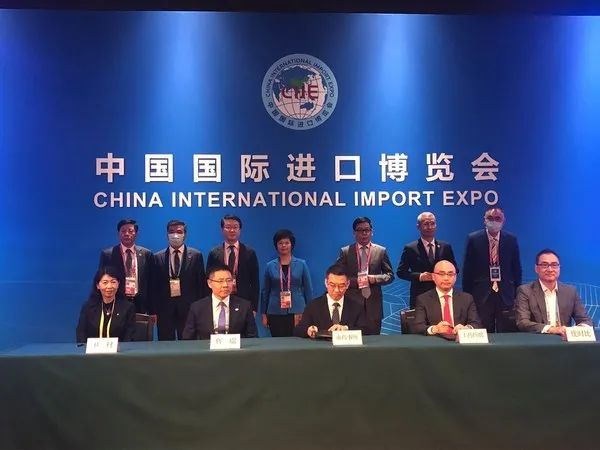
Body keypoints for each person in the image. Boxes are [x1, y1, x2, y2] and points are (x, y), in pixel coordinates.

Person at [462, 207, 522, 333]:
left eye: (497, 218)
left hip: (505, 293)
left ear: (503, 221)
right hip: (481, 294)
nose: (493, 221)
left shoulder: (511, 239)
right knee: (483, 330)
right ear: (484, 220)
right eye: (490, 218)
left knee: (507, 331)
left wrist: (517, 294)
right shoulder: (473, 239)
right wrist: (467, 295)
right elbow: (468, 270)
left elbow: (516, 268)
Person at [335, 216, 394, 334]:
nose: (364, 233)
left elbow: (390, 275)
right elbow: (338, 276)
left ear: (372, 232)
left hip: (373, 307)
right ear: (354, 233)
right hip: (351, 305)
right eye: (360, 230)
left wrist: (374, 279)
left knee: (374, 342)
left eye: (367, 230)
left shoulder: (381, 251)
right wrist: (357, 281)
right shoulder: (345, 252)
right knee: (351, 341)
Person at [151, 220, 207, 340]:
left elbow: (201, 284)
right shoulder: (157, 257)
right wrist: (153, 310)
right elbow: (154, 286)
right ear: (167, 235)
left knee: (189, 344)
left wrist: (201, 309)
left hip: (189, 309)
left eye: (179, 232)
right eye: (171, 232)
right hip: (164, 310)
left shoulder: (196, 255)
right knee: (166, 344)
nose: (175, 235)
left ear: (184, 235)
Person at [516, 249, 592, 335]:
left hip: (563, 340)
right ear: (536, 269)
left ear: (559, 268)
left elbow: (586, 320)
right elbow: (523, 322)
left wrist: (575, 330)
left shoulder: (570, 291)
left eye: (554, 265)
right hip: (538, 339)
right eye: (544, 265)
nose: (550, 269)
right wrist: (552, 329)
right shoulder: (525, 291)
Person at [396, 212, 458, 309]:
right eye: (426, 224)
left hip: (442, 294)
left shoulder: (445, 247)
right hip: (420, 296)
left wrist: (444, 274)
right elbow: (401, 272)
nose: (430, 227)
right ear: (418, 226)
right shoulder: (410, 248)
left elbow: (455, 269)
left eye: (432, 223)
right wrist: (420, 276)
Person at [260, 229, 313, 337]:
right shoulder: (270, 266)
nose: (283, 245)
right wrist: (264, 313)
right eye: (280, 243)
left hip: (297, 310)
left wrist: (311, 312)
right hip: (275, 311)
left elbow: (308, 290)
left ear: (291, 244)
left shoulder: (301, 264)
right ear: (276, 245)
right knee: (278, 342)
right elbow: (265, 291)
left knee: (297, 341)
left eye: (286, 243)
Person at [182, 264, 257, 340]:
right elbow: (187, 338)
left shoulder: (244, 306)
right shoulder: (197, 308)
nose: (225, 285)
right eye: (220, 281)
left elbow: (253, 337)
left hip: (235, 347)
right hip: (206, 347)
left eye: (229, 280)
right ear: (209, 283)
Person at [294, 265, 371, 338]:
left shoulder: (356, 307)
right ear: (326, 283)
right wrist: (309, 330)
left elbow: (367, 330)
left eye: (341, 286)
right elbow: (299, 330)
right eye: (332, 285)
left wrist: (346, 329)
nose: (337, 290)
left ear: (347, 284)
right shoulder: (313, 306)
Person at [206, 215, 260, 313]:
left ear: (240, 230)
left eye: (235, 227)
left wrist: (254, 307)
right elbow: (209, 280)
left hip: (243, 300)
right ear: (222, 230)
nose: (232, 230)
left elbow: (255, 282)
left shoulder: (250, 253)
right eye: (228, 227)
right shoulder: (214, 253)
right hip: (220, 299)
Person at [98, 219, 153, 313]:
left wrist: (152, 308)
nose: (127, 234)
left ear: (136, 234)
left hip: (141, 304)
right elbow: (102, 280)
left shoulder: (146, 254)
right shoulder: (108, 255)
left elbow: (151, 282)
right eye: (123, 231)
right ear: (118, 234)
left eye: (130, 231)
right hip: (117, 301)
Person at [413, 260, 481, 336]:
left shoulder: (467, 298)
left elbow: (476, 323)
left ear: (455, 277)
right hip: (436, 341)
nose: (446, 278)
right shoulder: (423, 299)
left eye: (450, 274)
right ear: (433, 277)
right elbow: (418, 327)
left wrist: (467, 328)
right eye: (441, 274)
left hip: (459, 341)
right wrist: (435, 329)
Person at [76, 266, 136, 343]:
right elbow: (81, 333)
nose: (109, 286)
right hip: (93, 350)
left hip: (119, 350)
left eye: (113, 282)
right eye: (105, 282)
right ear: (98, 285)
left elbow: (129, 336)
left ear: (118, 284)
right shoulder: (88, 307)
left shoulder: (128, 307)